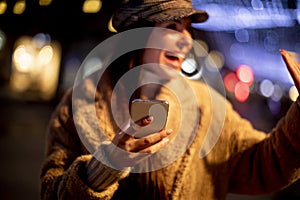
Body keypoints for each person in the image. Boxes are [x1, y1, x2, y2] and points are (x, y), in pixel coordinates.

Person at [40, 0, 300, 199]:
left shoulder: (206, 107)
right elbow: (52, 191)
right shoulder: (81, 104)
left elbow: (264, 164)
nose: (186, 41)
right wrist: (104, 167)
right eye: (172, 27)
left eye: (188, 29)